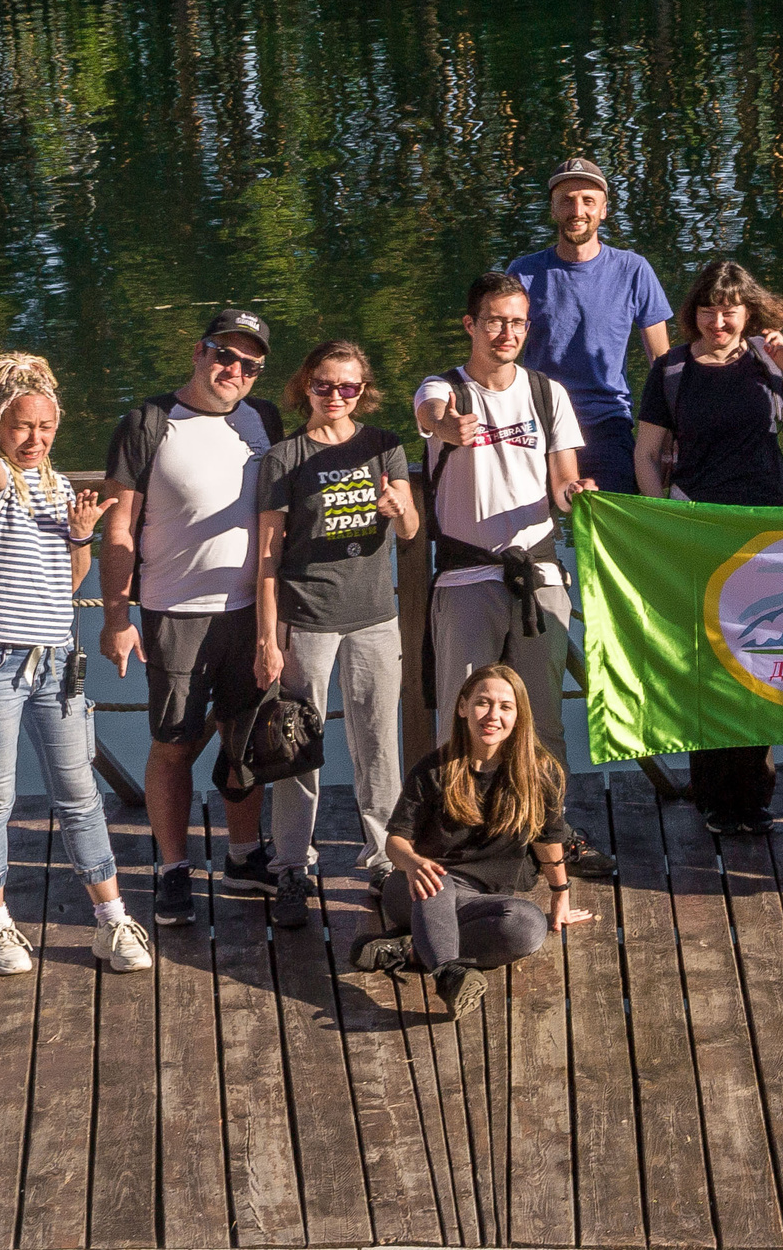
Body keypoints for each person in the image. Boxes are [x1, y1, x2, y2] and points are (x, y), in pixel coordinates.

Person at [0, 353, 152, 976]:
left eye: (45, 428)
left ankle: (111, 921)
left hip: (56, 657)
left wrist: (81, 535)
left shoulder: (60, 487)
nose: (34, 439)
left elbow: (68, 583)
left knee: (80, 792)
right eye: (20, 427)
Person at [100, 307, 285, 928]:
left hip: (251, 611)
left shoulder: (265, 421)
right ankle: (173, 868)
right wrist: (117, 616)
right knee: (174, 741)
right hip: (173, 611)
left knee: (248, 737)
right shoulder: (148, 422)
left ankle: (242, 852)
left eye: (250, 364)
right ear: (198, 352)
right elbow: (120, 526)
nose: (234, 371)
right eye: (224, 355)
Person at [635, 259, 783, 834]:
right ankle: (712, 794)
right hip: (700, 526)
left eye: (731, 309)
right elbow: (647, 453)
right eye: (709, 309)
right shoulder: (672, 369)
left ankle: (753, 794)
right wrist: (666, 512)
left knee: (762, 656)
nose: (719, 320)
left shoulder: (767, 360)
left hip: (767, 524)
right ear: (694, 310)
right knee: (708, 660)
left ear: (749, 312)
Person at [254, 340, 418, 927]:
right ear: (306, 386)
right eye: (324, 385)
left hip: (375, 617)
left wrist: (401, 507)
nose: (336, 396)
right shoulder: (283, 458)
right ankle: (294, 864)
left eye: (348, 387)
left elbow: (410, 533)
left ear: (362, 390)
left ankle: (384, 856)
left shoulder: (384, 446)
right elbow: (268, 554)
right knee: (297, 745)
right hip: (307, 617)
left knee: (379, 741)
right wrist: (266, 638)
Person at [413, 276, 597, 791]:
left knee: (543, 722)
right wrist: (445, 426)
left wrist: (576, 492)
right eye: (494, 321)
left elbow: (561, 482)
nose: (506, 332)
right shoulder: (446, 389)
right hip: (465, 579)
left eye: (516, 322)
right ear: (471, 324)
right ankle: (463, 831)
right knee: (466, 719)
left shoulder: (546, 393)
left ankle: (551, 834)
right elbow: (429, 413)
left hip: (537, 575)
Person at [353, 665, 592, 1021]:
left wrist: (561, 893)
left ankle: (413, 949)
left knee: (528, 926)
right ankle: (449, 974)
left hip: (482, 900)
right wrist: (413, 863)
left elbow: (548, 837)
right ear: (463, 707)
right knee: (437, 883)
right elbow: (396, 842)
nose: (493, 715)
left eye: (505, 707)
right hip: (421, 887)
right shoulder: (433, 769)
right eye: (483, 703)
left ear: (518, 715)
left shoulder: (540, 772)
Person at [505, 157, 673, 502]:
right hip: (539, 422)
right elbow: (500, 354)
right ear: (553, 209)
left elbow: (662, 360)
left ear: (604, 210)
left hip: (607, 422)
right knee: (521, 531)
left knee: (614, 529)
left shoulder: (633, 269)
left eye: (587, 200)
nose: (577, 210)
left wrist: (669, 432)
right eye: (566, 200)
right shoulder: (524, 273)